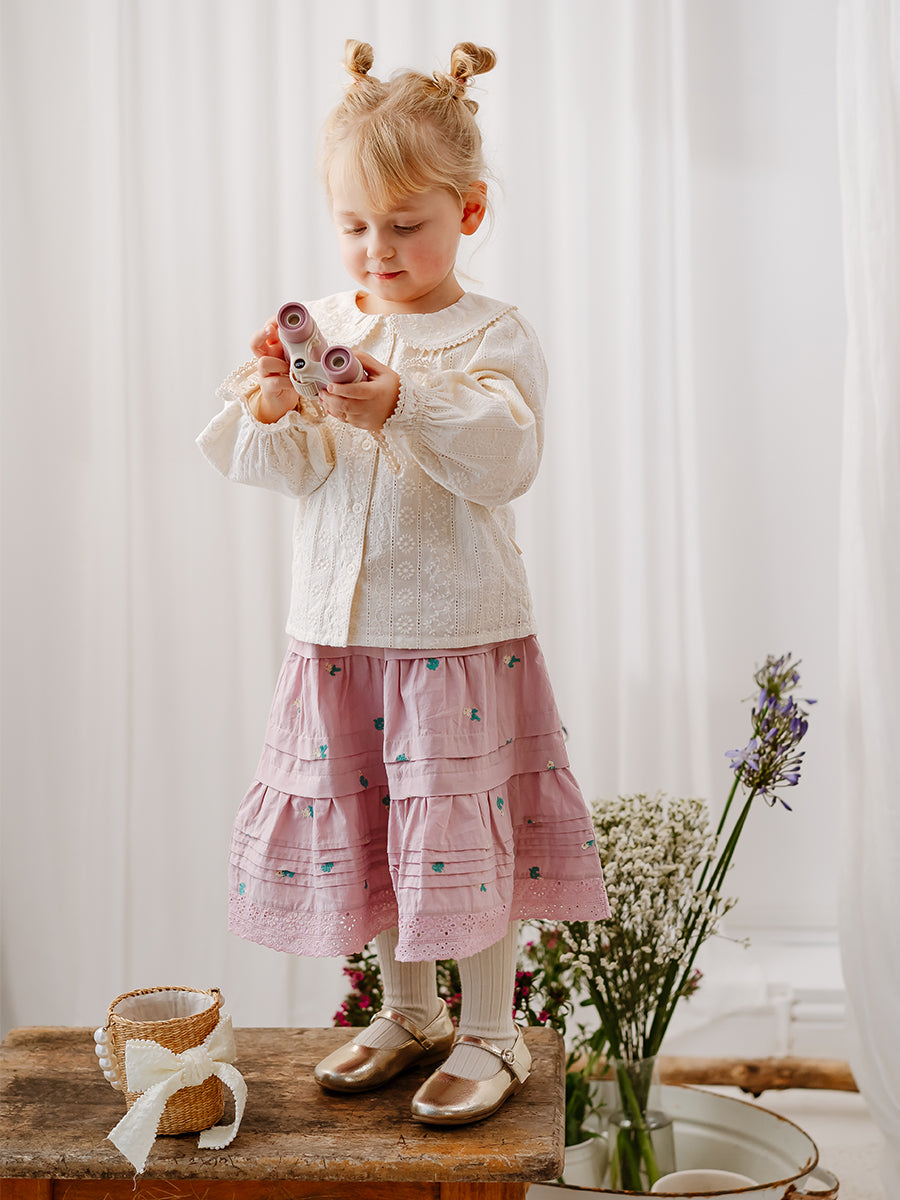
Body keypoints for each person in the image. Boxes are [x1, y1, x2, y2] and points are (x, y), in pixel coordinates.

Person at [197, 38, 609, 1126]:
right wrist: (275, 403)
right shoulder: (327, 326)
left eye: (404, 224)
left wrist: (401, 404)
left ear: (468, 212)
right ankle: (412, 1010)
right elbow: (289, 472)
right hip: (339, 635)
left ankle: (491, 1030)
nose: (377, 250)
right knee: (381, 823)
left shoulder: (491, 334)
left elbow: (505, 458)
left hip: (452, 634)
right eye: (354, 226)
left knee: (457, 832)